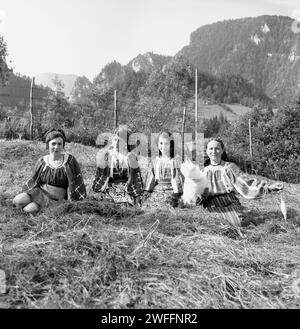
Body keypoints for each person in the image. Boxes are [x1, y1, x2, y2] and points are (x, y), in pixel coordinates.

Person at [194, 137, 283, 227]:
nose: (214, 151)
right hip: (212, 205)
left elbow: (246, 183)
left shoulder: (229, 167)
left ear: (222, 150)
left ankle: (248, 218)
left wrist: (269, 187)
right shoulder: (202, 171)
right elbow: (198, 193)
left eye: (217, 148)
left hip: (229, 201)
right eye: (211, 148)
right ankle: (246, 216)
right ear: (206, 151)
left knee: (239, 223)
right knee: (217, 224)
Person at [13, 128, 86, 214]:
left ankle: (39, 208)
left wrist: (73, 201)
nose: (56, 147)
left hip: (56, 199)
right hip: (40, 192)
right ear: (48, 145)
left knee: (28, 210)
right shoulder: (43, 161)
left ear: (63, 145)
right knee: (17, 201)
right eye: (53, 144)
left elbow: (77, 182)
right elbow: (33, 180)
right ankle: (33, 204)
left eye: (59, 144)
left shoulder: (69, 161)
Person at [92, 125, 143, 206]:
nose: (115, 143)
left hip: (125, 189)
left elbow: (136, 180)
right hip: (109, 189)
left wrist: (137, 201)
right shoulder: (107, 156)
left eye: (119, 141)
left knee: (124, 206)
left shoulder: (131, 158)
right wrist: (98, 192)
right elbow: (100, 176)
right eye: (115, 139)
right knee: (106, 205)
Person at [143, 132, 184, 208]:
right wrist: (147, 190)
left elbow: (177, 178)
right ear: (157, 144)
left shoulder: (175, 160)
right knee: (149, 207)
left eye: (166, 144)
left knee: (169, 205)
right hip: (157, 190)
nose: (163, 146)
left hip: (171, 190)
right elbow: (152, 176)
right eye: (161, 143)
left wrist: (177, 194)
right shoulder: (155, 160)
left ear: (171, 145)